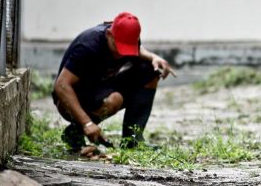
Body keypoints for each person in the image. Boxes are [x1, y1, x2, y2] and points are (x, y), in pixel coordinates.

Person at [53, 12, 176, 151]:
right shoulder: (88, 46)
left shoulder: (129, 39)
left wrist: (154, 57)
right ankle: (77, 131)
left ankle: (132, 140)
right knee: (114, 99)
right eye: (118, 46)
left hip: (101, 86)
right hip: (71, 98)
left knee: (150, 70)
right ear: (109, 34)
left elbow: (138, 51)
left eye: (127, 48)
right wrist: (87, 123)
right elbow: (61, 85)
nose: (122, 54)